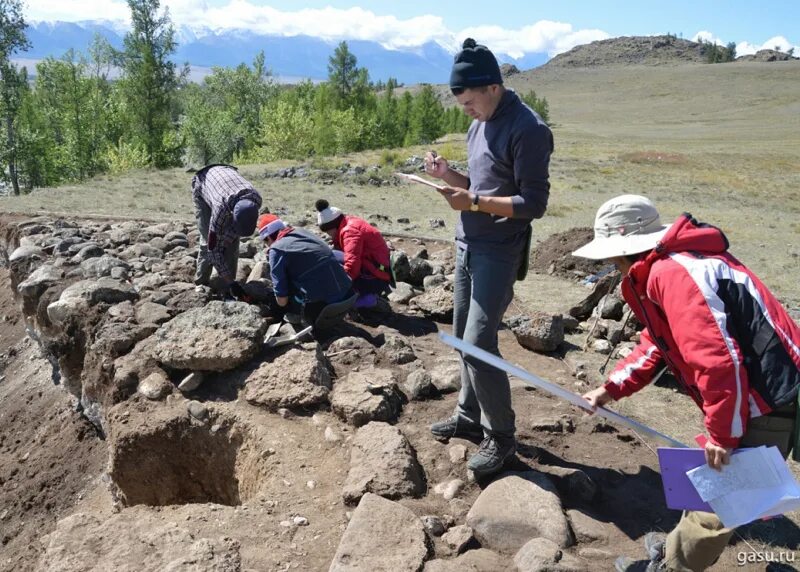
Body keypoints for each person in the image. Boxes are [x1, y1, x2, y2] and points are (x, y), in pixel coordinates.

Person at [572, 194, 800, 572]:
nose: (611, 264)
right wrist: (609, 388)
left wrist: (723, 434)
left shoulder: (673, 275)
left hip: (765, 396)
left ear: (624, 248)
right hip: (751, 393)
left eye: (612, 256)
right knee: (714, 485)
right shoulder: (669, 266)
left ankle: (672, 567)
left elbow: (717, 360)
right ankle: (675, 552)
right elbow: (659, 344)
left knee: (720, 501)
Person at [423, 38, 554, 476]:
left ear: (492, 87)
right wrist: (448, 176)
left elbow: (533, 203)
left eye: (468, 100)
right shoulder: (480, 122)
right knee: (462, 335)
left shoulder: (529, 128)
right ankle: (467, 416)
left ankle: (501, 438)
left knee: (479, 343)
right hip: (467, 243)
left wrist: (474, 203)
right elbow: (479, 183)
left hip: (499, 250)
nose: (465, 109)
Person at [257, 214, 354, 324]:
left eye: (266, 242)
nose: (267, 246)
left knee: (282, 294)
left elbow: (282, 301)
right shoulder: (303, 232)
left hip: (325, 309)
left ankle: (295, 319)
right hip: (349, 294)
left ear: (268, 237)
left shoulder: (277, 250)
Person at [192, 164, 262, 300]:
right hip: (203, 182)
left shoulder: (256, 199)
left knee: (232, 243)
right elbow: (213, 250)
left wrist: (228, 240)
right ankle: (201, 282)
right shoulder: (220, 209)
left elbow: (235, 231)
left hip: (225, 178)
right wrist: (220, 244)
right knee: (208, 242)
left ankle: (228, 289)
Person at [315, 198, 392, 308]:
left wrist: (339, 287)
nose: (328, 234)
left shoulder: (350, 232)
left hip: (376, 276)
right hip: (378, 269)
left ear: (333, 226)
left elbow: (352, 263)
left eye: (328, 231)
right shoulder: (347, 222)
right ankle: (364, 295)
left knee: (333, 261)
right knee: (333, 256)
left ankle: (367, 298)